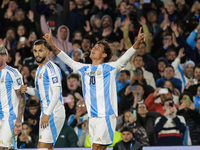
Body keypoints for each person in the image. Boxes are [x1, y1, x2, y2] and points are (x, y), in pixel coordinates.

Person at [43, 27, 145, 150]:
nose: (94, 48)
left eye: (98, 48)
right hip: (92, 117)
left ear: (104, 54)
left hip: (105, 115)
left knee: (96, 147)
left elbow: (125, 57)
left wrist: (138, 42)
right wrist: (51, 44)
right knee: (97, 148)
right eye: (94, 46)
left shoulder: (111, 68)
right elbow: (67, 59)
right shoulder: (85, 69)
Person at [20, 40, 65, 150]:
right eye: (35, 51)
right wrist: (27, 90)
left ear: (48, 51)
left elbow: (56, 93)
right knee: (48, 147)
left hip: (53, 113)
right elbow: (39, 92)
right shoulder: (39, 69)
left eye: (40, 50)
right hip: (46, 113)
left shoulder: (52, 69)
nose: (37, 54)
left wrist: (47, 114)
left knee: (41, 147)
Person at [0, 45, 26, 149]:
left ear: (5, 56)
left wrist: (19, 122)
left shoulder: (13, 73)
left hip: (10, 117)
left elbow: (22, 98)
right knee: (10, 148)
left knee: (2, 147)